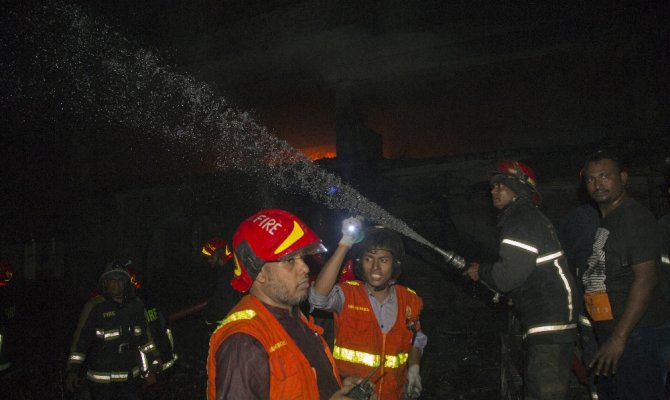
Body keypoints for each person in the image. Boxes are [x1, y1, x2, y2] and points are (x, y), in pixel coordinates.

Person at [206, 208, 361, 400]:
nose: (304, 267)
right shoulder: (244, 342)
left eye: (302, 257)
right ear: (259, 272)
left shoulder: (294, 318)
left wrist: (337, 384)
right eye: (289, 260)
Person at [462, 160, 578, 400]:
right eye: (493, 186)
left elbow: (507, 278)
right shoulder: (528, 217)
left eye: (501, 185)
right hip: (551, 322)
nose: (494, 190)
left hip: (549, 324)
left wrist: (480, 271)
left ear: (520, 188)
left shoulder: (520, 220)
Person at [580, 150, 670, 399]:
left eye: (605, 176)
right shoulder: (610, 221)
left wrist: (619, 339)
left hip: (638, 336)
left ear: (623, 178)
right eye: (590, 179)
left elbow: (646, 279)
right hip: (616, 334)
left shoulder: (634, 218)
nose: (597, 184)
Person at [310, 221, 427, 400]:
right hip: (349, 394)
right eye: (368, 258)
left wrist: (414, 367)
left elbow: (417, 338)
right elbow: (317, 299)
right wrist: (345, 243)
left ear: (395, 264)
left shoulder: (410, 300)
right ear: (360, 262)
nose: (375, 267)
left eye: (383, 260)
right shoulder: (347, 294)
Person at [65, 260, 159, 400]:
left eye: (120, 280)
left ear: (126, 283)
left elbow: (145, 338)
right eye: (112, 280)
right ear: (105, 283)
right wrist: (73, 370)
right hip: (102, 381)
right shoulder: (95, 307)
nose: (116, 284)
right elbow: (81, 340)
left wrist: (154, 361)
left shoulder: (136, 305)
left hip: (130, 377)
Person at [201, 237, 240, 326]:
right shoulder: (225, 270)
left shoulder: (227, 273)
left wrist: (208, 315)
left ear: (219, 255)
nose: (209, 261)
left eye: (211, 257)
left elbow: (222, 301)